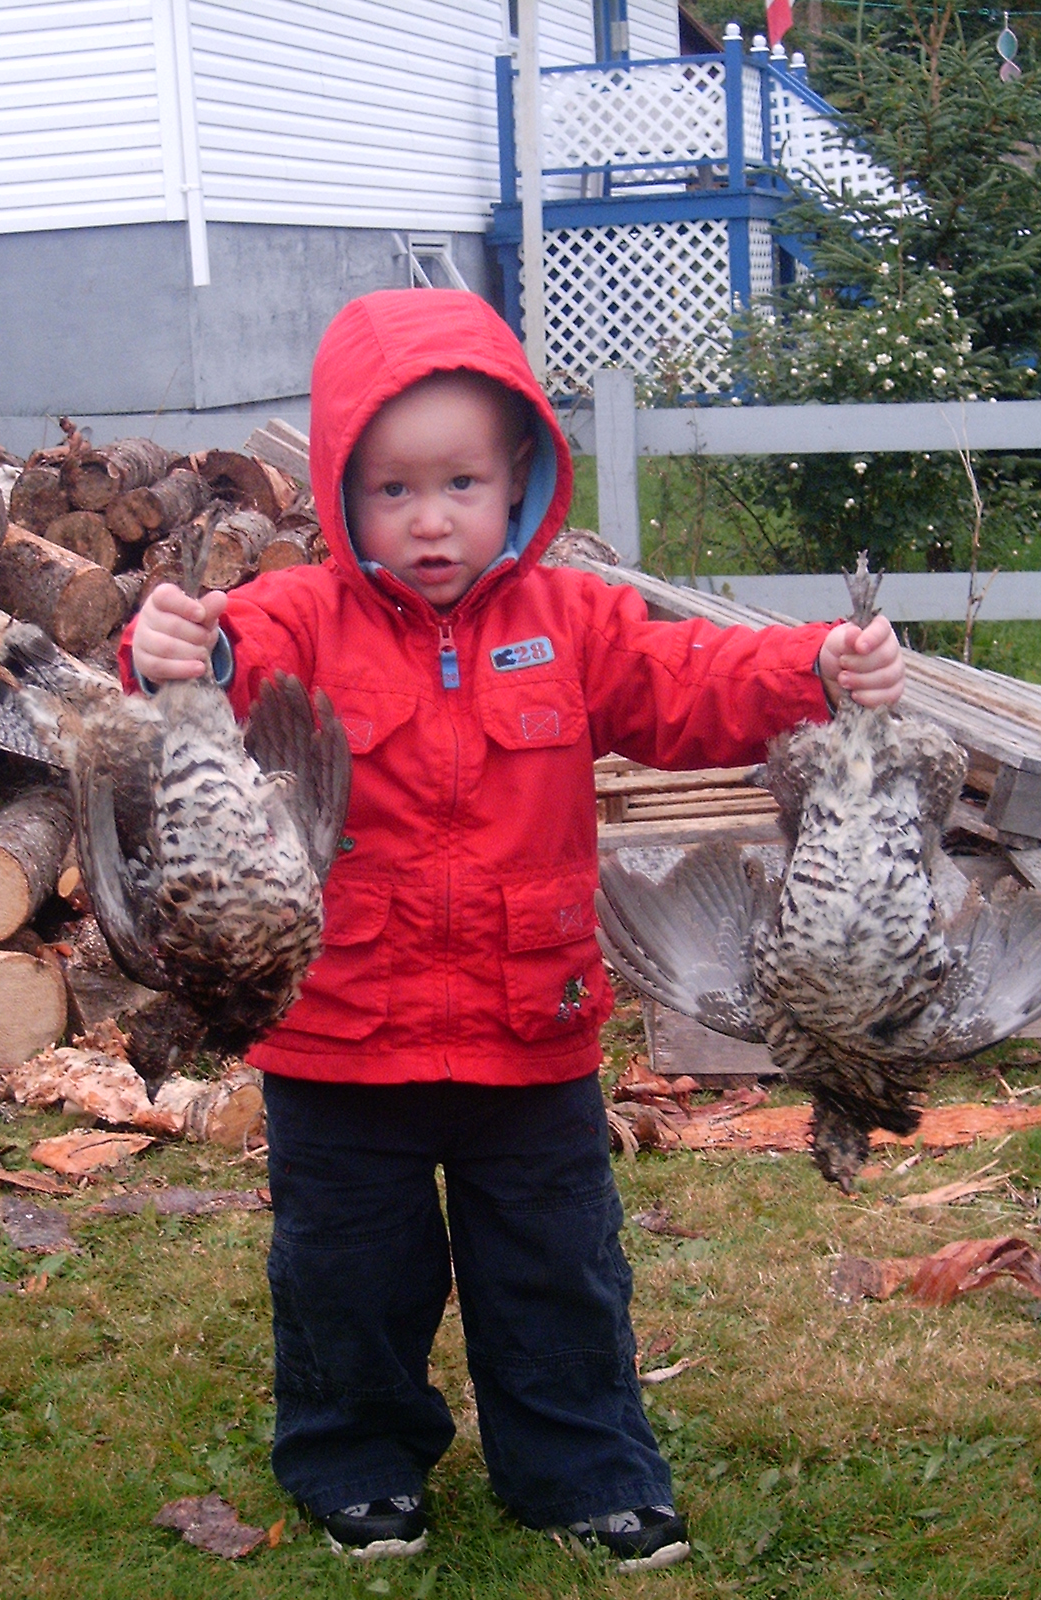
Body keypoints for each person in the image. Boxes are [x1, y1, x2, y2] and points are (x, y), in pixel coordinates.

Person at [124, 289, 904, 1570]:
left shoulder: (574, 620)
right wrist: (171, 648)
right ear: (340, 492)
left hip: (533, 1032)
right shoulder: (300, 616)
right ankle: (357, 1459)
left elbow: (690, 683)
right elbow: (214, 667)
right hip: (342, 1041)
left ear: (521, 478)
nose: (430, 519)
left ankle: (583, 1468)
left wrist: (812, 664)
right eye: (392, 490)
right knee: (346, 1278)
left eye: (462, 483)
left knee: (557, 1271)